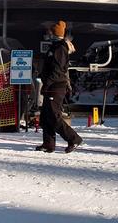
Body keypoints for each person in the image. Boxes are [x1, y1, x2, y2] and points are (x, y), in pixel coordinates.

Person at [36, 20, 83, 153]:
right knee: (46, 115)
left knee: (54, 116)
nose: (48, 34)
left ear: (55, 33)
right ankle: (48, 144)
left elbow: (58, 70)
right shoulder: (55, 47)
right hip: (51, 85)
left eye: (50, 32)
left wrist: (48, 83)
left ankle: (73, 138)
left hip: (56, 86)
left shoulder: (60, 48)